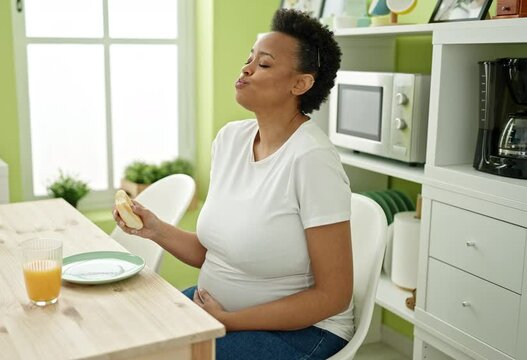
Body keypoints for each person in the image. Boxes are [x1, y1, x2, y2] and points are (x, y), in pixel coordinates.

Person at [113, 9, 351, 360]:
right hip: (218, 312)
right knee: (126, 340)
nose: (247, 68)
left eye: (265, 64)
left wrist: (230, 321)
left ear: (300, 84)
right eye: (248, 59)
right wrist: (155, 229)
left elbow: (333, 295)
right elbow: (216, 253)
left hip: (300, 332)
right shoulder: (230, 140)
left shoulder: (311, 160)